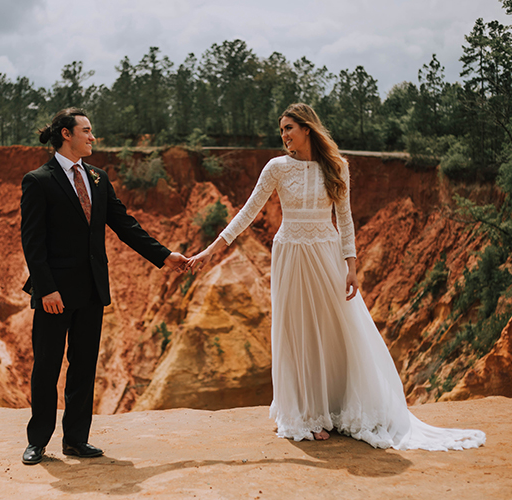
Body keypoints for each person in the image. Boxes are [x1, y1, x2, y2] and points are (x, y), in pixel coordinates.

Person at [187, 103, 485, 450]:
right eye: (281, 129)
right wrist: (211, 249)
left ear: (307, 129)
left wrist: (352, 267)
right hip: (291, 255)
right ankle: (307, 415)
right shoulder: (277, 168)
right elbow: (248, 211)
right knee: (298, 330)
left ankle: (337, 408)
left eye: (289, 128)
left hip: (327, 254)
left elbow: (345, 220)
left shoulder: (337, 167)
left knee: (335, 329)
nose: (284, 135)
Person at [20, 108, 188, 465]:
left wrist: (163, 255)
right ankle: (38, 442)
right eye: (87, 131)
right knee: (46, 367)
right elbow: (32, 243)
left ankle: (76, 440)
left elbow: (124, 224)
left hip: (92, 289)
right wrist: (46, 289)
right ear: (66, 134)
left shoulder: (97, 177)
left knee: (84, 367)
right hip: (54, 294)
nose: (92, 137)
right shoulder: (39, 180)